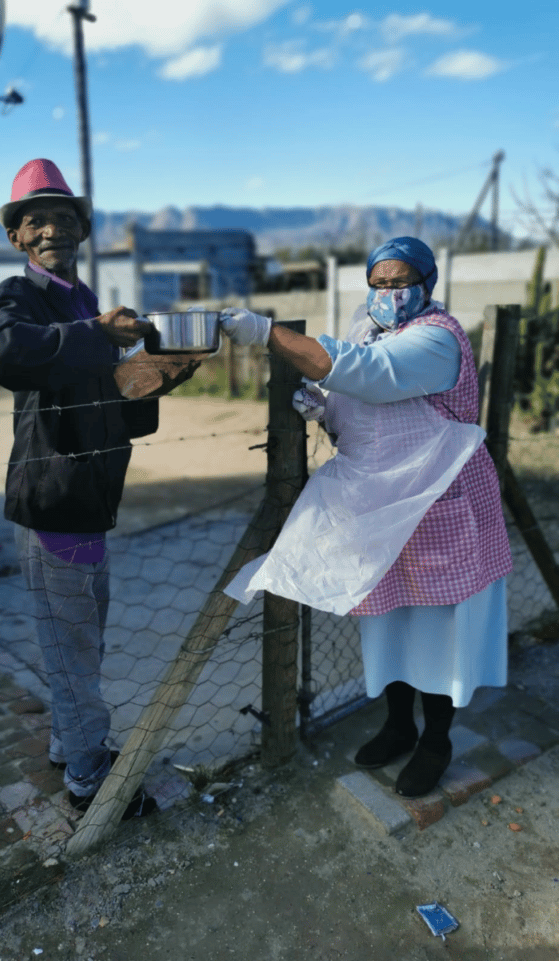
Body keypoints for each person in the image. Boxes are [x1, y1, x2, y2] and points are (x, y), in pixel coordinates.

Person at [220, 237, 512, 798]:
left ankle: (437, 741)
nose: (388, 293)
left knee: (439, 632)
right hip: (380, 511)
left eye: (400, 282)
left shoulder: (436, 339)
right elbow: (357, 403)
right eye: (378, 283)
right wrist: (323, 407)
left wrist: (268, 333)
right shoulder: (368, 330)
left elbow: (372, 374)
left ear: (426, 283)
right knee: (388, 623)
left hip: (436, 507)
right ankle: (398, 725)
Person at [0, 158, 201, 820]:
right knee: (75, 644)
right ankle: (87, 779)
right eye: (35, 218)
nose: (51, 227)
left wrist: (157, 374)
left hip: (89, 497)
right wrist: (98, 335)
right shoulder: (18, 297)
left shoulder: (82, 301)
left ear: (82, 228)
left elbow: (112, 398)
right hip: (56, 499)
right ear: (19, 237)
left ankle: (65, 741)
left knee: (76, 637)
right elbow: (8, 356)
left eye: (63, 217)